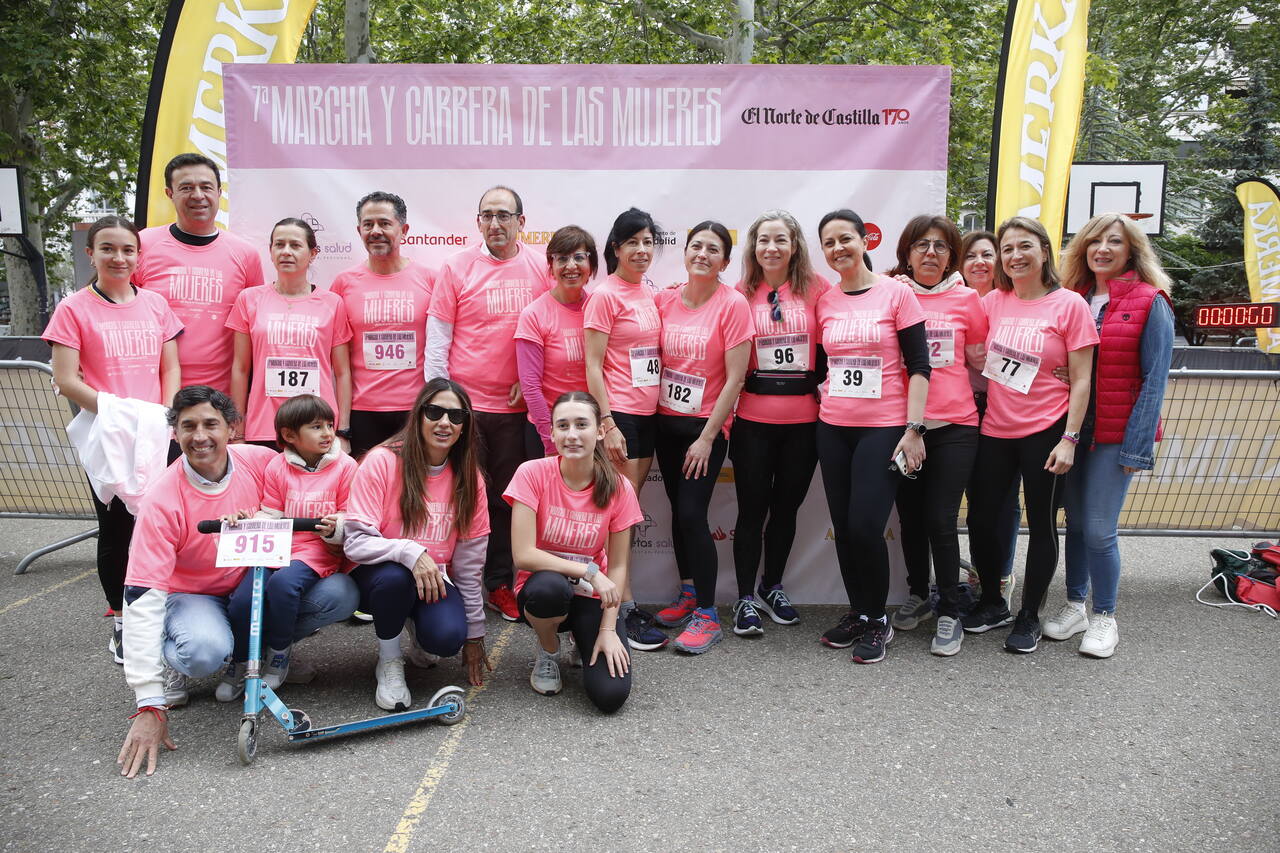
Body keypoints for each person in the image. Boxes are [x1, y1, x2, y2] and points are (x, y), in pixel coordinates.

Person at [116, 385, 359, 778]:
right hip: (194, 596)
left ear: (231, 428)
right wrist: (149, 701)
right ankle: (175, 651)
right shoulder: (161, 498)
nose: (200, 436)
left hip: (252, 586)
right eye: (187, 426)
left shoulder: (261, 461)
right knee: (205, 652)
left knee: (340, 594)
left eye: (211, 424)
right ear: (173, 433)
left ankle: (263, 653)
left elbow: (313, 476)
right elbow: (141, 592)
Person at [44, 215, 183, 663]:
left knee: (164, 524)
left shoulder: (157, 305)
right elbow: (66, 380)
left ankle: (166, 609)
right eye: (108, 249)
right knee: (118, 529)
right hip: (107, 432)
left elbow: (171, 368)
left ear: (139, 255)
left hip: (158, 430)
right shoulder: (73, 308)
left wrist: (166, 416)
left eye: (127, 250)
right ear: (91, 253)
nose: (119, 258)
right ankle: (124, 622)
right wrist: (118, 414)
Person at [961, 216, 1098, 653]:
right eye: (1007, 249)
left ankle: (1028, 615)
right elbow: (966, 346)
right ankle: (991, 601)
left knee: (1041, 525)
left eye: (1025, 247)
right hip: (996, 430)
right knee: (981, 519)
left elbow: (1080, 379)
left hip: (1047, 431)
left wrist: (1070, 439)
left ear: (1044, 251)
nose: (1015, 256)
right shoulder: (993, 302)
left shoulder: (1069, 305)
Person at [1046, 213, 1174, 658]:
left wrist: (1137, 448)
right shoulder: (1073, 297)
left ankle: (1105, 617)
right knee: (1076, 525)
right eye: (1094, 240)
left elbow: (1155, 380)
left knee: (1100, 530)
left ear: (1131, 250)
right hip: (1075, 430)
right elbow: (1079, 365)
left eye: (1114, 241)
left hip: (1117, 435)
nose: (1102, 248)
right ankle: (1075, 605)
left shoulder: (1150, 300)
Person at [426, 186, 549, 623]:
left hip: (518, 413)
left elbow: (554, 327)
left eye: (505, 215)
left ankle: (498, 583)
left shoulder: (541, 268)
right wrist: (441, 405)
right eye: (487, 215)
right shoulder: (457, 268)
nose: (495, 223)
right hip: (466, 412)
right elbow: (438, 339)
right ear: (478, 221)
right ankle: (448, 581)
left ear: (521, 221)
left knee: (504, 501)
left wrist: (530, 379)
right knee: (458, 498)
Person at [813, 209, 930, 664]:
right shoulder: (826, 300)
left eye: (846, 238)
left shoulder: (897, 294)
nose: (838, 248)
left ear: (865, 241)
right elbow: (824, 367)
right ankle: (860, 613)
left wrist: (914, 429)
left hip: (883, 428)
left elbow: (920, 366)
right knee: (844, 528)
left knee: (865, 525)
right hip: (833, 426)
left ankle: (878, 618)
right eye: (829, 243)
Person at [343, 379, 492, 711]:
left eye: (456, 416)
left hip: (432, 578)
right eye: (435, 412)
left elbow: (469, 566)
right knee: (396, 579)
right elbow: (354, 543)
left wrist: (475, 634)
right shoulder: (382, 460)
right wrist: (410, 551)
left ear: (465, 424)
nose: (444, 423)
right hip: (376, 576)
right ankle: (390, 661)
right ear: (418, 414)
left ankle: (415, 626)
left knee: (447, 638)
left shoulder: (470, 478)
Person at [886, 215, 987, 655]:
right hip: (903, 428)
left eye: (941, 246)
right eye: (922, 245)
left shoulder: (968, 300)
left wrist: (1055, 371)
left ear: (952, 256)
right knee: (908, 519)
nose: (931, 253)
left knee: (940, 520)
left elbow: (983, 362)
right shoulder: (889, 295)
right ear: (906, 252)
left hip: (956, 427)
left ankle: (949, 608)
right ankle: (918, 594)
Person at [729, 210, 832, 639]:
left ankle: (773, 586)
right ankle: (744, 598)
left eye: (780, 240)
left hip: (804, 424)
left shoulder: (818, 290)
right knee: (752, 511)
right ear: (753, 247)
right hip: (753, 421)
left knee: (786, 509)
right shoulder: (739, 293)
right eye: (763, 240)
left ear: (795, 247)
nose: (771, 248)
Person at [650, 222, 752, 653]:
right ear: (685, 253)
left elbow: (735, 379)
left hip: (703, 432)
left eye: (713, 249)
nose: (703, 254)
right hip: (665, 424)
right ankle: (689, 590)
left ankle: (708, 614)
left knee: (693, 515)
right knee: (678, 511)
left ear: (725, 262)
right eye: (696, 246)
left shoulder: (733, 305)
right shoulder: (665, 299)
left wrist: (709, 437)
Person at [215, 395, 358, 700]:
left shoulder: (346, 466)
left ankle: (279, 653)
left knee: (284, 585)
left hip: (316, 550)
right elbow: (271, 512)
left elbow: (350, 513)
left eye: (329, 425)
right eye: (316, 427)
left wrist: (337, 526)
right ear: (290, 436)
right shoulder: (277, 467)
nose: (328, 433)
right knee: (242, 600)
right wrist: (249, 520)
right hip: (277, 545)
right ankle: (241, 660)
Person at [505, 392, 641, 711]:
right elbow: (523, 554)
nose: (572, 434)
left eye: (582, 424)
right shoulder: (532, 473)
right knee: (548, 589)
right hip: (545, 589)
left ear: (599, 431)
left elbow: (619, 567)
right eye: (562, 426)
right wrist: (590, 571)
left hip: (591, 597)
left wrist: (608, 629)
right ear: (551, 433)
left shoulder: (619, 488)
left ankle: (584, 639)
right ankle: (549, 649)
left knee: (610, 696)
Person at [583, 207, 669, 652]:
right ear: (615, 248)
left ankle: (616, 598)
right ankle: (623, 609)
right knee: (620, 518)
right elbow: (592, 366)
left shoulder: (648, 293)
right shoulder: (605, 295)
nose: (641, 250)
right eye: (632, 242)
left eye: (648, 242)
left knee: (626, 515)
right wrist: (607, 422)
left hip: (649, 414)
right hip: (621, 418)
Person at [134, 153, 264, 393]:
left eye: (206, 187)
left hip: (221, 398)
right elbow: (111, 307)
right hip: (153, 393)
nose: (197, 195)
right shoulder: (142, 245)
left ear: (219, 192)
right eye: (186, 187)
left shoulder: (246, 254)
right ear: (169, 194)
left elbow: (256, 331)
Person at [227, 217, 353, 446]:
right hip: (264, 426)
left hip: (317, 428)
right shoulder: (249, 299)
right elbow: (241, 369)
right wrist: (238, 429)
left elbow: (342, 373)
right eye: (279, 244)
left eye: (295, 245)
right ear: (270, 250)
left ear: (313, 253)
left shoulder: (333, 303)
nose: (286, 252)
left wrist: (343, 430)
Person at [330, 191, 435, 457]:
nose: (375, 231)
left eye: (384, 223)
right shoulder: (343, 284)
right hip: (362, 411)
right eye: (368, 224)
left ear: (404, 229)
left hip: (416, 409)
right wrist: (341, 425)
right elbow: (334, 359)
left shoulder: (431, 280)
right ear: (359, 230)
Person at [961, 229, 1019, 604]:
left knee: (1003, 500)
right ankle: (982, 573)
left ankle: (1000, 575)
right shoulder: (956, 300)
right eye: (971, 256)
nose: (979, 262)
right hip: (962, 409)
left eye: (987, 254)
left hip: (1005, 410)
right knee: (973, 500)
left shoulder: (1013, 301)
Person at [515, 226, 595, 456]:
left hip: (590, 430)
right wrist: (550, 439)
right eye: (562, 259)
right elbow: (530, 388)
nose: (571, 266)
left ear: (591, 267)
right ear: (551, 267)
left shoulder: (599, 308)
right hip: (548, 431)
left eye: (579, 257)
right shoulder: (534, 314)